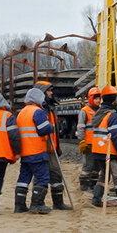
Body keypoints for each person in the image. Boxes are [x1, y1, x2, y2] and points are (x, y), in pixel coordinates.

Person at [15, 88, 52, 214]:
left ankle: (19, 206)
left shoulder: (21, 113)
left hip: (25, 152)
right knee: (42, 178)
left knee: (23, 179)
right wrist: (50, 126)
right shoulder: (38, 112)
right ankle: (36, 205)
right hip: (37, 151)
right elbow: (43, 129)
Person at [33, 81, 70, 210]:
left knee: (56, 175)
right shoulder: (39, 110)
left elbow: (55, 131)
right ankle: (38, 203)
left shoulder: (50, 109)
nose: (51, 93)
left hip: (51, 149)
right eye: (48, 91)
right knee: (40, 176)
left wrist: (57, 147)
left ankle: (58, 203)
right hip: (41, 149)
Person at [76, 86, 101, 192]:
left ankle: (92, 186)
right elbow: (80, 127)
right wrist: (82, 141)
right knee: (87, 166)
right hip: (89, 144)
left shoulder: (100, 111)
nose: (98, 100)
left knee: (96, 167)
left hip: (98, 144)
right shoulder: (84, 111)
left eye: (99, 98)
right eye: (96, 98)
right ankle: (84, 187)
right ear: (91, 98)